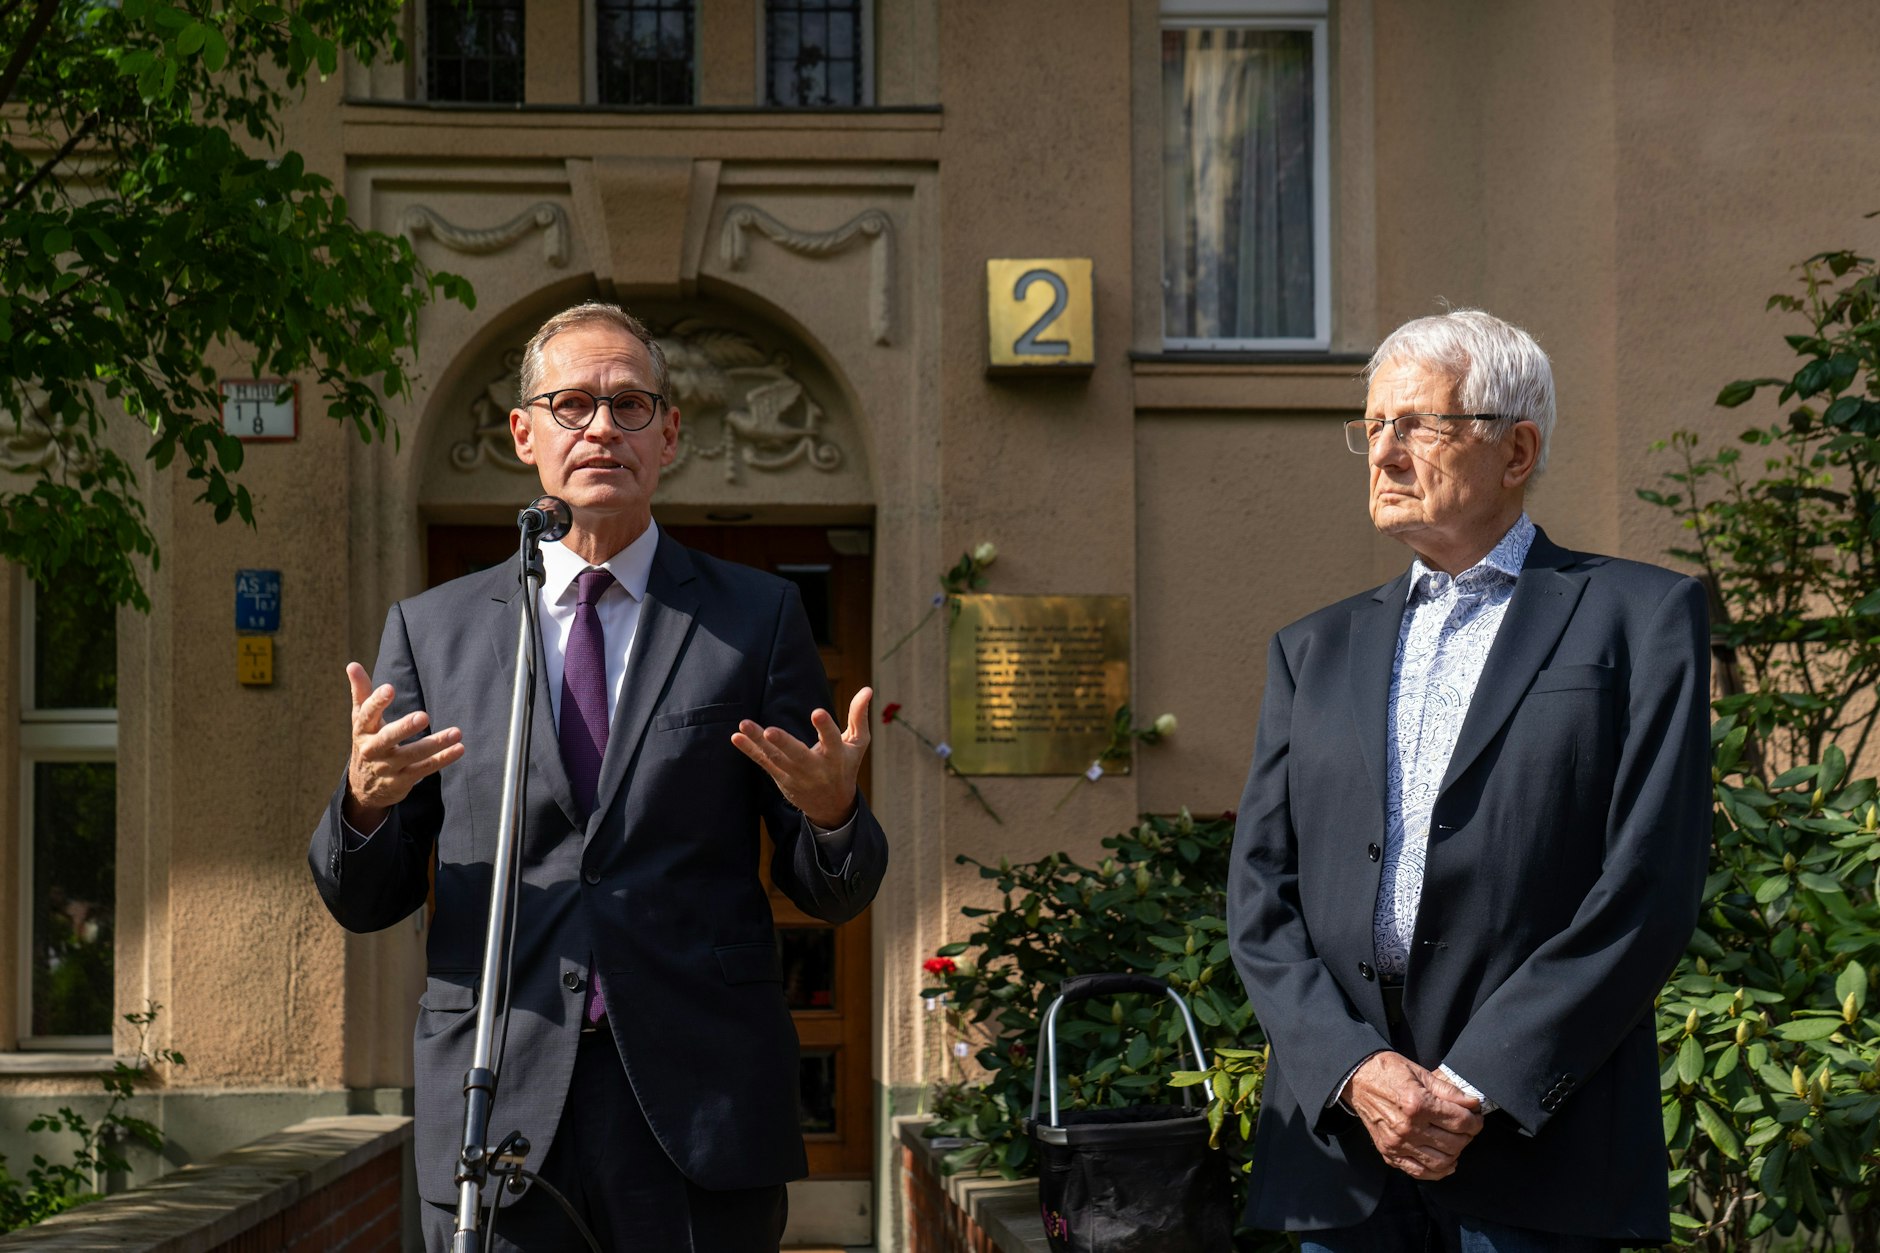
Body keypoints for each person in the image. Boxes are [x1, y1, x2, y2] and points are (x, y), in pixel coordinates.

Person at [308, 301, 888, 1251]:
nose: (601, 429)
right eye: (572, 404)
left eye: (628, 405)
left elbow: (831, 892)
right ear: (524, 432)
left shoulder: (757, 617)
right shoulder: (435, 630)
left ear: (669, 433)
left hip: (698, 1099)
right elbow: (365, 899)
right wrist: (366, 805)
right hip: (499, 1094)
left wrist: (831, 817)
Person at [1227, 309, 1710, 1250]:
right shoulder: (1312, 649)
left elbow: (1648, 884)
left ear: (1516, 448)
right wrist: (1357, 1067)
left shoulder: (1639, 618)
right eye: (1372, 426)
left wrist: (1474, 1081)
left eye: (1417, 424)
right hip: (1343, 1156)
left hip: (1539, 1149)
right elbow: (1259, 895)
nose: (1385, 451)